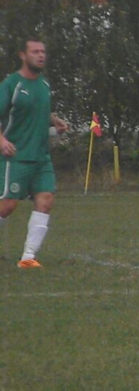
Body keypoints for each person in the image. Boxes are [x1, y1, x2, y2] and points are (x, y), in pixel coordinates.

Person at [0, 38, 69, 268]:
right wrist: (1, 139)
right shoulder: (12, 85)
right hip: (16, 156)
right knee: (7, 207)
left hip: (41, 157)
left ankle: (28, 257)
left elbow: (41, 110)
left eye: (43, 51)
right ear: (23, 55)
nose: (41, 55)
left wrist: (55, 120)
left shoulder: (44, 85)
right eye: (35, 51)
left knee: (46, 200)